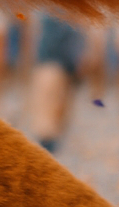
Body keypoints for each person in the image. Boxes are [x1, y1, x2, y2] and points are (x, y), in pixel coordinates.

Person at [29, 15, 86, 153]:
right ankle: (47, 135)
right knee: (48, 95)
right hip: (50, 56)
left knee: (61, 101)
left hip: (67, 55)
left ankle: (50, 134)